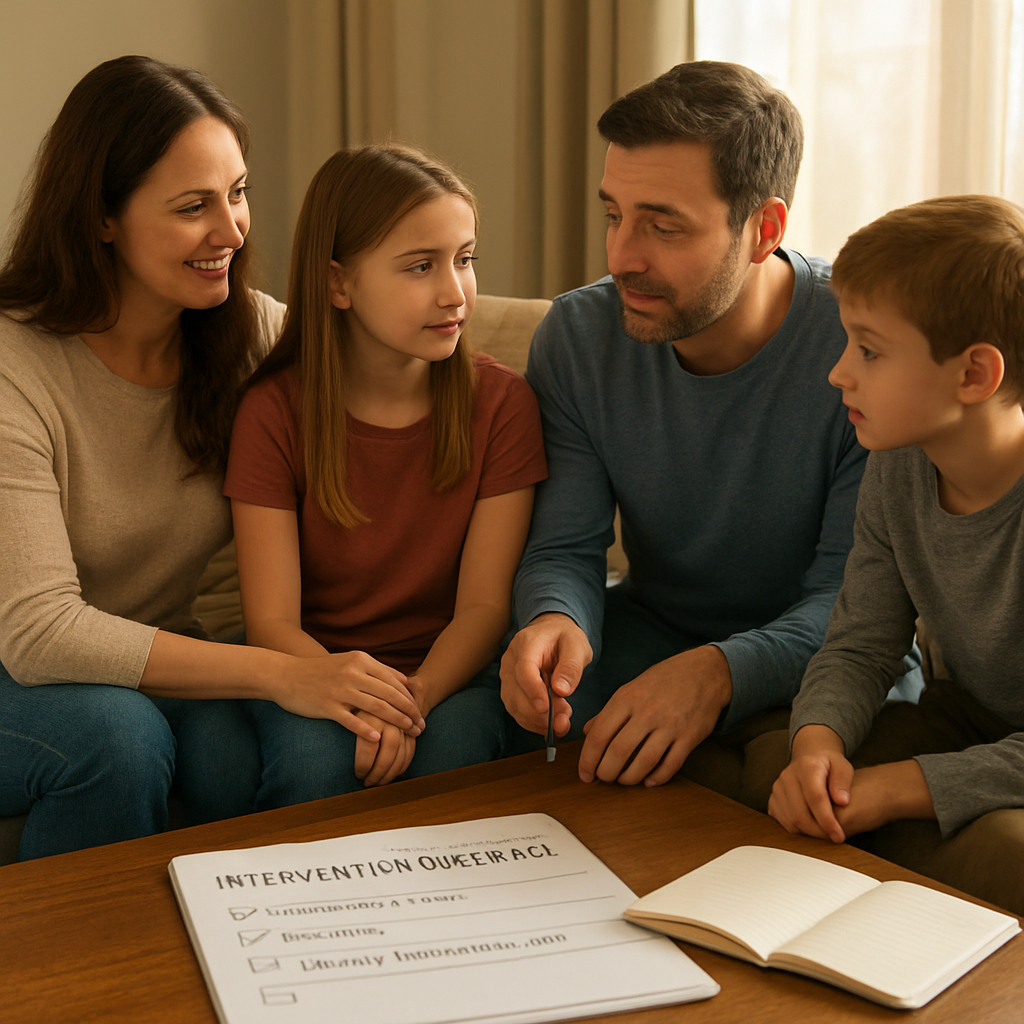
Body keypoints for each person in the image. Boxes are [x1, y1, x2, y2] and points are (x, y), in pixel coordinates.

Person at [0, 57, 424, 860]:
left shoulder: (249, 335)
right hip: (18, 670)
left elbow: (392, 370)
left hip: (153, 648)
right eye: (193, 206)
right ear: (102, 217)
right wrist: (281, 671)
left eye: (238, 193)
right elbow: (39, 634)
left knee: (237, 760)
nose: (232, 231)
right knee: (117, 739)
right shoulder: (13, 364)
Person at [500, 61, 879, 795]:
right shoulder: (578, 337)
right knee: (517, 723)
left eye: (663, 226)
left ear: (764, 229)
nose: (621, 258)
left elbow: (855, 606)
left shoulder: (865, 348)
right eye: (614, 215)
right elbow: (565, 546)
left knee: (790, 781)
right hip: (652, 635)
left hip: (828, 658)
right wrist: (554, 619)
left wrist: (718, 673)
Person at [223, 145, 546, 806]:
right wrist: (363, 700)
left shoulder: (503, 405)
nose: (454, 292)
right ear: (338, 284)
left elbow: (485, 607)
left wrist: (412, 699)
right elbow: (272, 623)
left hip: (447, 671)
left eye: (464, 259)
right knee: (314, 765)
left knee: (453, 754)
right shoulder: (273, 411)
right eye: (421, 266)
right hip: (312, 667)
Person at [767, 195, 1024, 915]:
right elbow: (861, 643)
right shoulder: (898, 464)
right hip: (968, 718)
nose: (838, 373)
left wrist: (900, 789)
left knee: (1007, 853)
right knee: (779, 769)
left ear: (973, 375)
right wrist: (817, 748)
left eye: (870, 351)